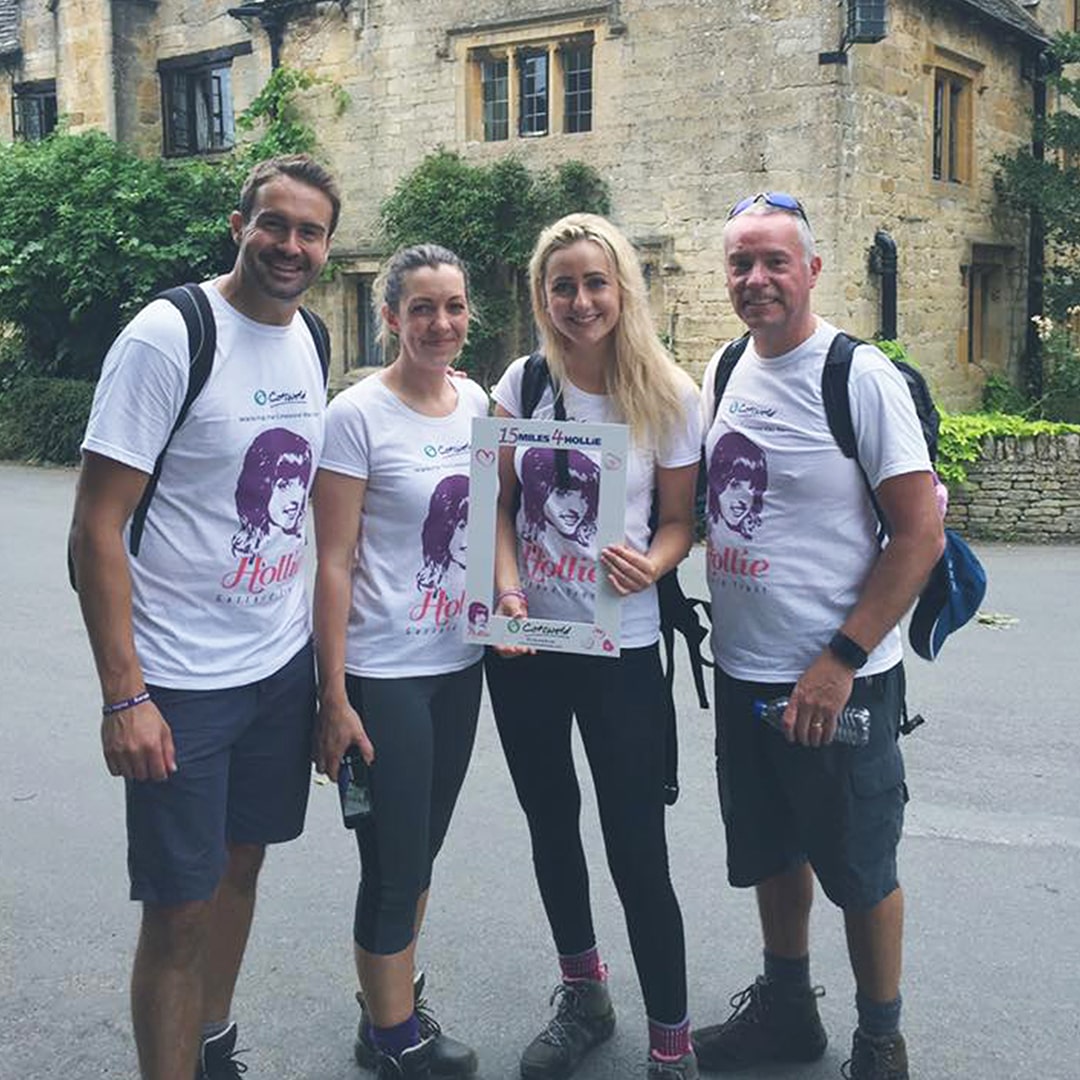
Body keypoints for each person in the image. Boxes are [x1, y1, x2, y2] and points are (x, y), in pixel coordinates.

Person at [68, 154, 340, 1080]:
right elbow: (95, 527)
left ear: (328, 247)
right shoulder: (168, 336)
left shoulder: (312, 338)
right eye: (275, 224)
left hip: (277, 670)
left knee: (240, 870)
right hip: (179, 681)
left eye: (310, 232)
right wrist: (124, 696)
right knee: (179, 909)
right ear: (239, 226)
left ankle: (210, 1047)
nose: (290, 245)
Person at [692, 192, 945, 1080]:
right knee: (772, 845)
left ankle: (880, 1041)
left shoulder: (857, 377)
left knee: (860, 864)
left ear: (812, 269)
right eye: (741, 263)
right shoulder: (727, 366)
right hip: (747, 670)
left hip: (842, 678)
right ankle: (789, 1012)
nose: (756, 278)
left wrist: (839, 661)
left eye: (775, 261)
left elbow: (919, 536)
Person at [486, 213, 703, 1080]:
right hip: (529, 646)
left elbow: (680, 522)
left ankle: (673, 1045)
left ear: (623, 289)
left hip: (623, 648)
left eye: (595, 283)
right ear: (542, 296)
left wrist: (651, 563)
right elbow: (497, 505)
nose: (580, 301)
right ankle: (585, 994)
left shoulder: (670, 395)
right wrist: (506, 589)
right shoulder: (523, 382)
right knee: (551, 822)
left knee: (636, 846)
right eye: (562, 286)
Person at [312, 244, 487, 1080]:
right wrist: (333, 696)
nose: (440, 323)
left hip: (460, 664)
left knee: (421, 850)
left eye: (453, 307)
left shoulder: (476, 402)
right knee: (393, 862)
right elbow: (332, 561)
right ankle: (393, 1038)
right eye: (422, 308)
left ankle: (388, 1005)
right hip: (383, 673)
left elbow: (492, 525)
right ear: (390, 317)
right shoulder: (356, 415)